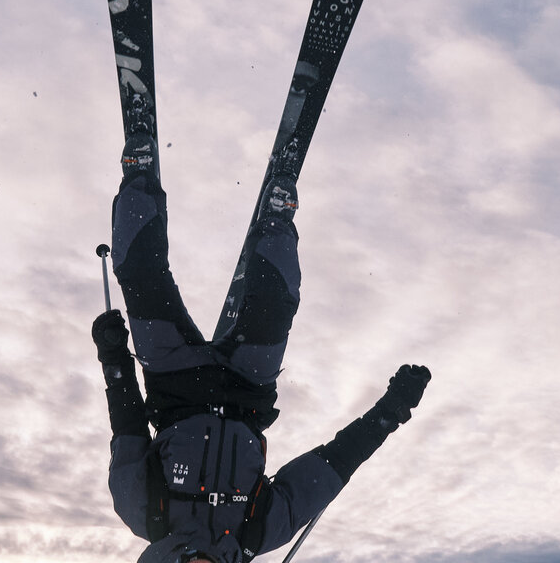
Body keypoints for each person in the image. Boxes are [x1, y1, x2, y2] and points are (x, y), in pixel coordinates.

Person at [91, 131, 431, 563]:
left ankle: (138, 179)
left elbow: (128, 425)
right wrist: (390, 411)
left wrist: (113, 354)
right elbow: (333, 466)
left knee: (140, 277)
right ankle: (277, 216)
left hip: (173, 382)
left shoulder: (141, 512)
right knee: (276, 304)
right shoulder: (261, 531)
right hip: (245, 389)